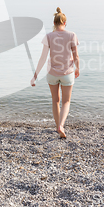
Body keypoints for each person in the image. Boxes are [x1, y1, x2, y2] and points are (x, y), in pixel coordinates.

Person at [30, 7, 80, 138]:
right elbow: (76, 57)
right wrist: (78, 68)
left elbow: (42, 58)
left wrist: (34, 76)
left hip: (52, 73)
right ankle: (61, 125)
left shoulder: (48, 36)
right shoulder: (72, 35)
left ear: (54, 23)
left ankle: (57, 126)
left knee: (55, 101)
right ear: (65, 23)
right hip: (67, 73)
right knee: (66, 102)